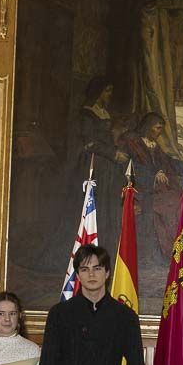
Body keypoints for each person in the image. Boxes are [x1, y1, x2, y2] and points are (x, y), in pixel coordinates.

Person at [120, 112, 183, 260]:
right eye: (157, 128)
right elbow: (128, 167)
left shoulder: (154, 145)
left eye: (161, 129)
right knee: (178, 204)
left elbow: (170, 162)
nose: (160, 132)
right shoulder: (132, 142)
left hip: (163, 188)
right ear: (148, 127)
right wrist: (153, 175)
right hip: (144, 191)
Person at [76, 76, 125, 244]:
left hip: (107, 163)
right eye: (107, 91)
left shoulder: (104, 112)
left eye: (110, 91)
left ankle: (106, 241)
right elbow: (89, 143)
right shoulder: (87, 114)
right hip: (93, 163)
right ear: (98, 92)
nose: (109, 94)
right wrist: (112, 153)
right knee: (96, 203)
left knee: (108, 203)